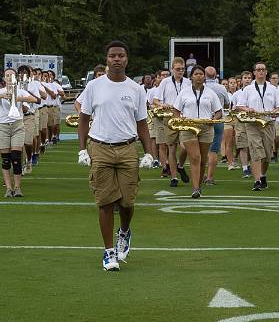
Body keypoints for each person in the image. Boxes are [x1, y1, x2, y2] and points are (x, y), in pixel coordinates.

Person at [77, 41, 154, 271]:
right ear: (107, 59)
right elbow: (83, 119)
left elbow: (142, 124)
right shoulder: (94, 86)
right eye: (112, 56)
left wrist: (149, 152)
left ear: (127, 59)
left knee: (128, 201)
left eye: (121, 55)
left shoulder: (136, 89)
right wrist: (82, 148)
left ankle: (124, 232)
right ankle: (109, 251)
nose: (117, 59)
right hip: (100, 147)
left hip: (128, 147)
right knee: (105, 201)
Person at [173, 65, 223, 197]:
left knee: (202, 160)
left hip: (206, 127)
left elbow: (219, 111)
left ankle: (198, 185)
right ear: (191, 77)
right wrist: (180, 122)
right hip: (189, 127)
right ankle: (195, 189)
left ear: (204, 76)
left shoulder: (211, 93)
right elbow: (176, 111)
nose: (199, 76)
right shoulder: (184, 92)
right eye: (196, 74)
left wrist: (213, 119)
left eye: (201, 74)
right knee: (195, 157)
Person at [236, 62, 279, 191]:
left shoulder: (273, 89)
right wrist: (248, 109)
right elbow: (239, 105)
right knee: (256, 150)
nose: (261, 72)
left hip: (268, 122)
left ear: (266, 72)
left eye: (263, 70)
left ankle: (263, 175)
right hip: (252, 122)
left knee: (267, 153)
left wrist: (276, 110)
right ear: (254, 72)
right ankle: (257, 180)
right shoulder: (248, 89)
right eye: (258, 70)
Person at [0, 69, 38, 197]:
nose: (10, 78)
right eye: (7, 75)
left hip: (17, 125)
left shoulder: (20, 90)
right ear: (4, 78)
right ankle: (8, 188)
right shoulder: (0, 91)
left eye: (12, 75)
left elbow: (35, 99)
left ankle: (17, 187)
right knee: (5, 159)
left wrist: (19, 98)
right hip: (4, 126)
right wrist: (1, 96)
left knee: (16, 157)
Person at [153, 57, 190, 187]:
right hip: (169, 117)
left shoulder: (188, 82)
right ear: (172, 69)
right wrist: (163, 105)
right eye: (178, 69)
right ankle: (174, 177)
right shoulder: (165, 82)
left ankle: (180, 166)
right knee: (172, 148)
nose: (181, 71)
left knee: (185, 146)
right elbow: (156, 100)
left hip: (184, 117)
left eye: (183, 69)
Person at [203, 66, 229, 185]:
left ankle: (201, 174)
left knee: (201, 149)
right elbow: (227, 104)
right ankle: (209, 177)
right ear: (215, 75)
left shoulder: (201, 87)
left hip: (203, 120)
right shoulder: (221, 88)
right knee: (214, 150)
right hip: (218, 120)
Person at [231, 71, 252, 177]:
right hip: (240, 122)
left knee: (252, 145)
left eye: (249, 78)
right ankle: (245, 168)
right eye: (245, 77)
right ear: (241, 80)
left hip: (252, 122)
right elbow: (233, 108)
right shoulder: (236, 94)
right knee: (243, 145)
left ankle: (251, 165)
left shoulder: (254, 92)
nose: (247, 79)